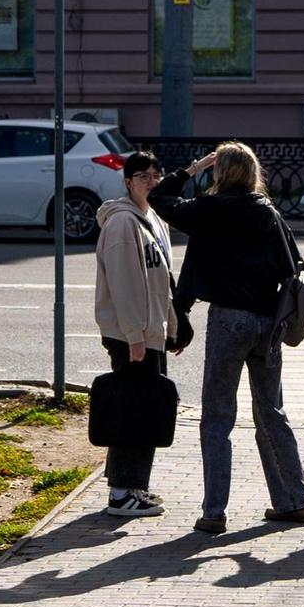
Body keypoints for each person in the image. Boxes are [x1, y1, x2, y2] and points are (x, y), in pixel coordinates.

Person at [150, 143, 304, 534]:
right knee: (272, 414)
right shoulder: (267, 213)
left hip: (229, 321)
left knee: (218, 416)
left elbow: (160, 197)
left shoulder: (208, 211)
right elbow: (295, 271)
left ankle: (214, 513)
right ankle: (295, 502)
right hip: (267, 323)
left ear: (220, 173)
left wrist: (193, 168)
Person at [92, 149, 177, 520]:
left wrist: (170, 328)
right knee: (135, 411)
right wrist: (135, 337)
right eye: (144, 177)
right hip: (133, 335)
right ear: (128, 182)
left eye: (156, 176)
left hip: (148, 330)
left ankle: (129, 485)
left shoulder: (153, 219)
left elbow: (162, 281)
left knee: (141, 408)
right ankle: (121, 493)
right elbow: (125, 284)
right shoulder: (123, 224)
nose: (152, 182)